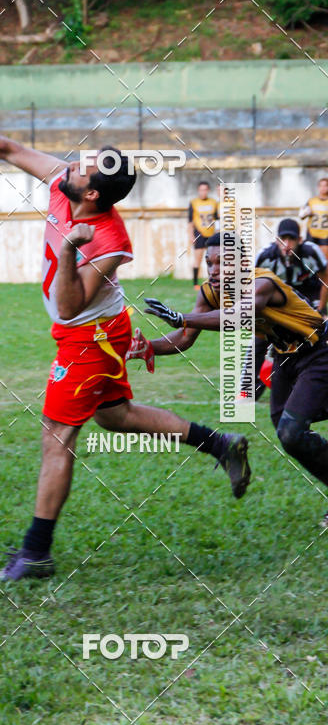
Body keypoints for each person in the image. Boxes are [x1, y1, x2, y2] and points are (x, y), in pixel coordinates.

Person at [0, 117, 251, 581]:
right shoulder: (63, 182)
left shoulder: (109, 242)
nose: (72, 164)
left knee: (56, 437)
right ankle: (220, 444)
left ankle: (36, 553)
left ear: (92, 194)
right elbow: (7, 147)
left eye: (84, 168)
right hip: (97, 331)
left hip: (91, 340)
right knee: (116, 416)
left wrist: (68, 250)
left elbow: (68, 307)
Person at [139, 232, 328, 523]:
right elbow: (185, 337)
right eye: (210, 263)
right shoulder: (210, 292)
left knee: (292, 431)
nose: (214, 270)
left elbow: (239, 316)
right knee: (286, 431)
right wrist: (147, 347)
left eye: (223, 262)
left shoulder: (262, 282)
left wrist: (183, 317)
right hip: (285, 357)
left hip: (318, 351)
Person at [249, 217, 328, 399]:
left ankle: (313, 383)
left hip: (308, 300)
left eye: (291, 239)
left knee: (317, 339)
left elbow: (325, 279)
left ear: (300, 240)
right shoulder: (265, 257)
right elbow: (251, 286)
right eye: (283, 239)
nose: (287, 244)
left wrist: (320, 309)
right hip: (279, 303)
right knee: (258, 341)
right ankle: (249, 389)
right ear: (276, 240)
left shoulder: (311, 252)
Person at [188, 181, 218, 289]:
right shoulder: (194, 202)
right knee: (198, 259)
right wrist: (191, 235)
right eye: (201, 190)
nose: (203, 192)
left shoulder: (213, 202)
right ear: (198, 190)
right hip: (199, 233)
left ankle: (212, 281)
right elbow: (190, 221)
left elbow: (217, 219)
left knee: (212, 259)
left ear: (208, 190)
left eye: (205, 190)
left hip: (211, 234)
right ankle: (195, 283)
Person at [299, 177, 328, 248]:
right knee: (309, 252)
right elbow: (301, 216)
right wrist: (305, 213)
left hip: (325, 235)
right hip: (311, 234)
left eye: (325, 185)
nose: (323, 188)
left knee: (324, 253)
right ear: (318, 187)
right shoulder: (311, 201)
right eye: (321, 186)